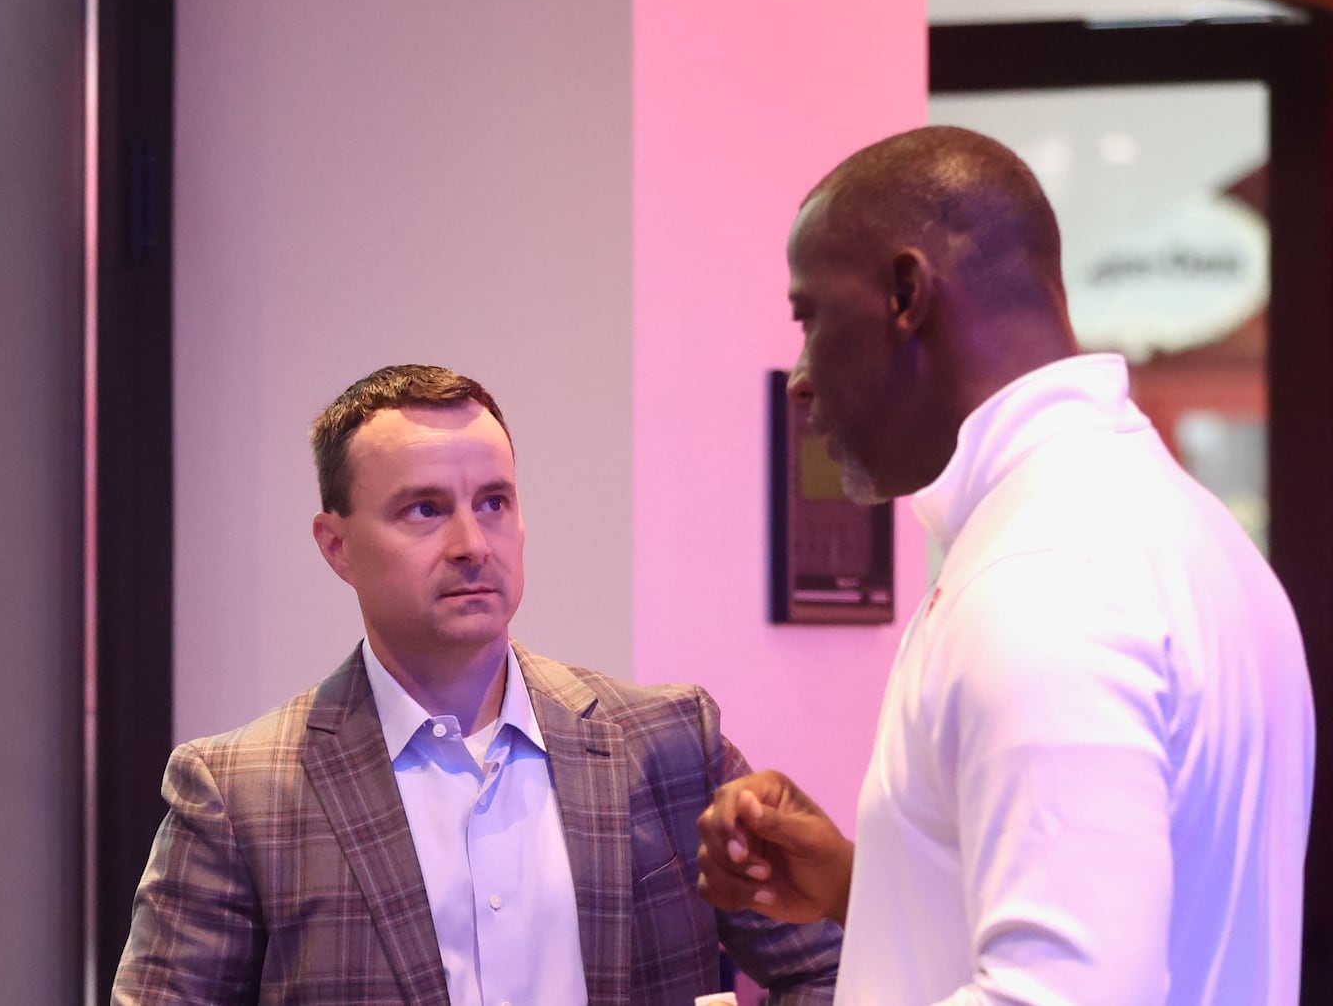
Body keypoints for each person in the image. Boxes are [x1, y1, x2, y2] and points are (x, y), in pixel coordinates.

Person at [696, 126, 1315, 1005]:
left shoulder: (1042, 577)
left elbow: (1061, 994)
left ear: (906, 293)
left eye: (810, 318)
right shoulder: (1183, 528)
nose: (799, 377)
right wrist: (862, 886)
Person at [114, 364, 840, 1005]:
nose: (472, 543)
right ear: (336, 546)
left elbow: (832, 964)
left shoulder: (668, 741)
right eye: (425, 509)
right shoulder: (238, 794)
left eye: (493, 501)